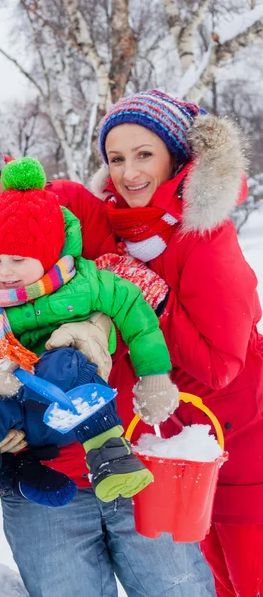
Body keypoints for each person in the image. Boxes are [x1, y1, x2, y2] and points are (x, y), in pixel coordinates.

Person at [0, 105, 216, 596]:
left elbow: (119, 278)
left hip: (127, 451)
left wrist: (99, 326)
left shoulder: (64, 204)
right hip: (37, 476)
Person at [0, 156, 177, 573]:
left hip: (63, 399)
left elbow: (138, 315)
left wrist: (153, 373)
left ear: (47, 253)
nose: (3, 274)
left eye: (17, 260)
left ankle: (108, 451)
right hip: (8, 394)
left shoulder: (85, 280)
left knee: (67, 363)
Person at [82, 89, 263, 597]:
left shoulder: (204, 235)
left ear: (176, 157)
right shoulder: (123, 234)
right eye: (116, 158)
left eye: (145, 155)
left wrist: (151, 298)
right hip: (181, 452)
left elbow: (221, 364)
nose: (129, 172)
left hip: (242, 450)